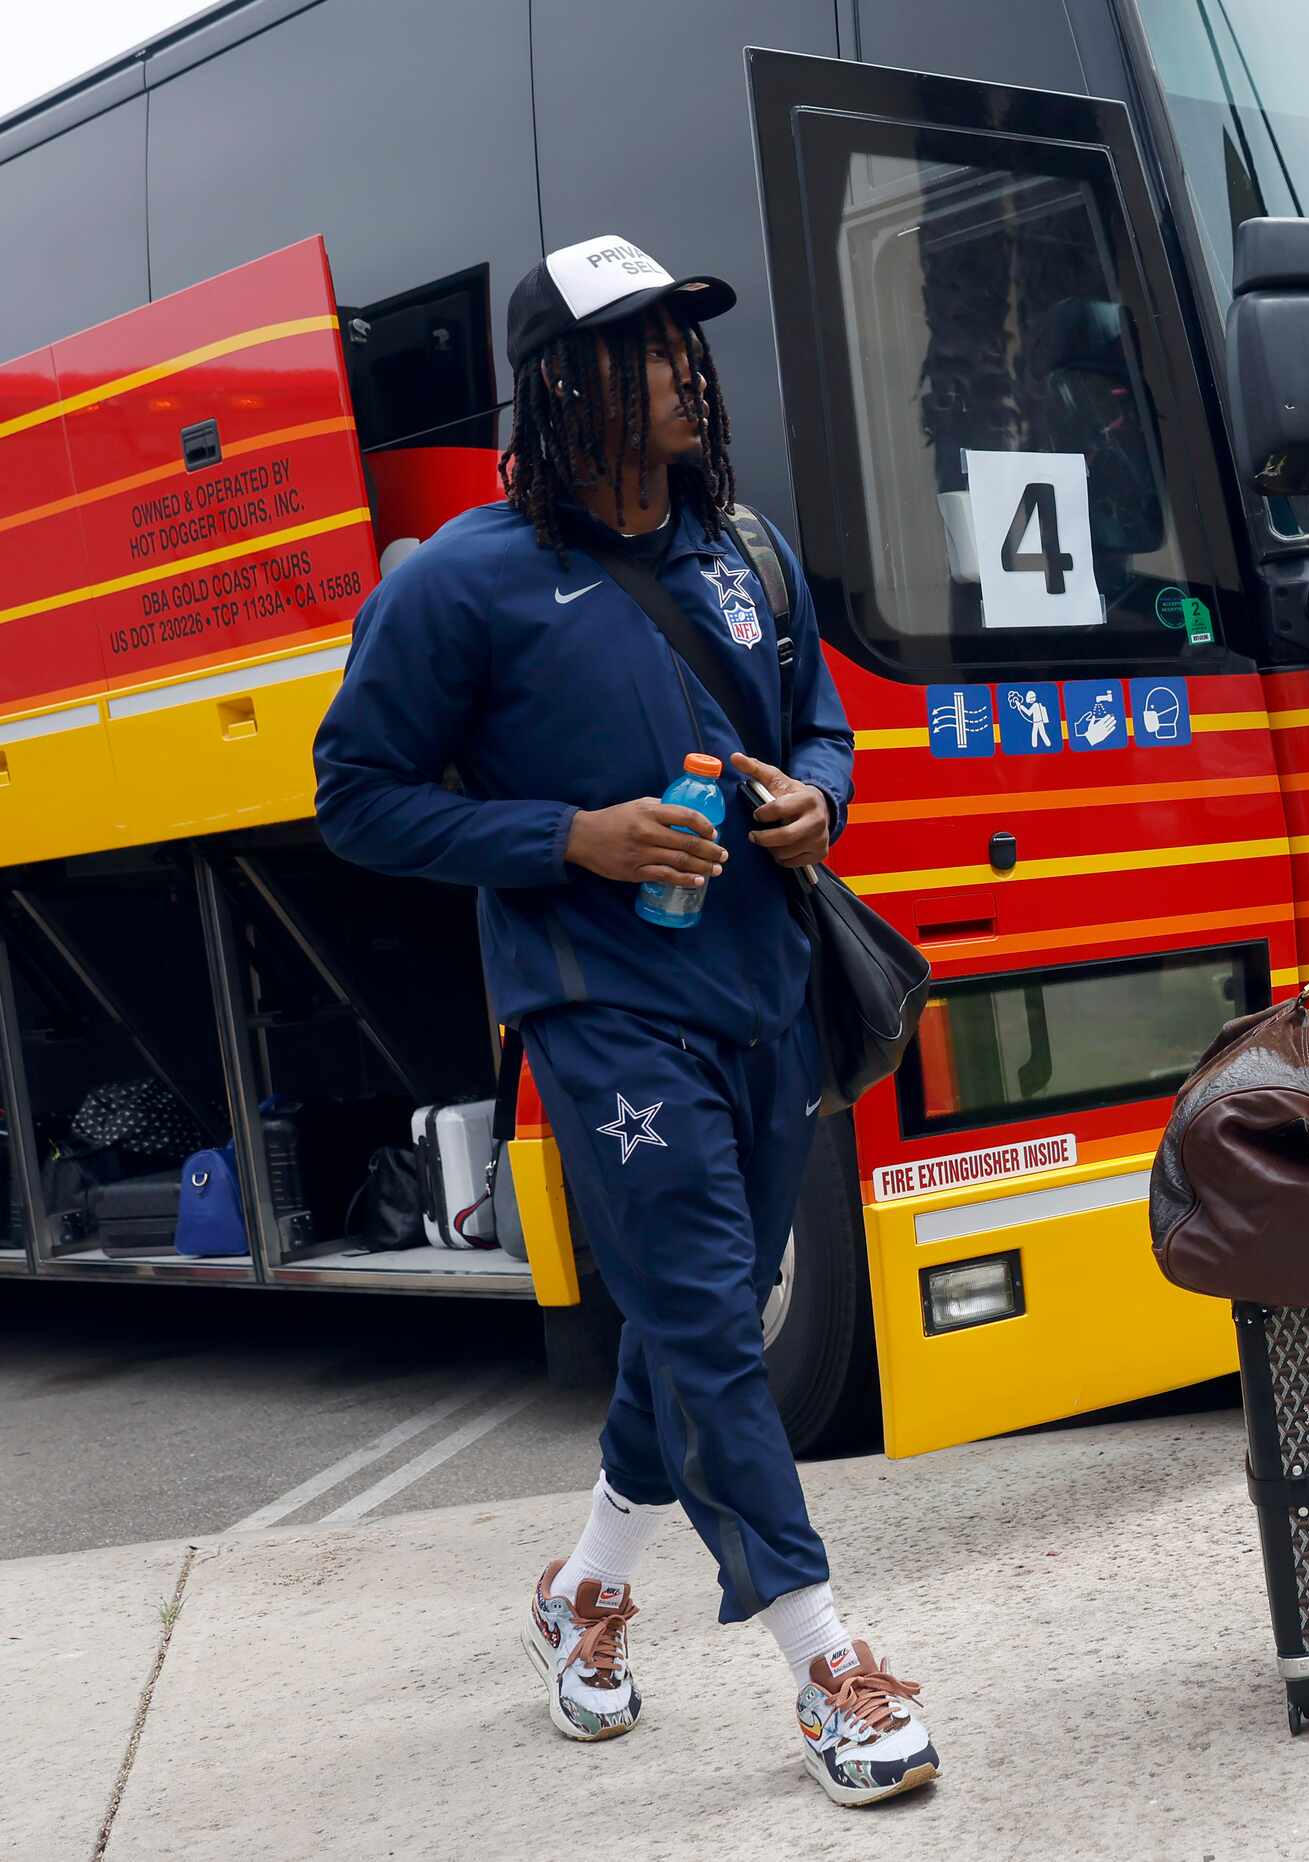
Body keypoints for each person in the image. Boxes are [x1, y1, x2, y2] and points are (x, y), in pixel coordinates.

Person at [314, 235, 939, 1805]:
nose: (679, 367)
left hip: (759, 991)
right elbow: (354, 798)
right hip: (599, 1011)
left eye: (682, 338)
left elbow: (819, 718)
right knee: (711, 1323)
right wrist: (565, 839)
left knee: (694, 1311)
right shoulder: (463, 580)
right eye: (639, 344)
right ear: (559, 383)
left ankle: (584, 1592)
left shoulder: (748, 547)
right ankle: (826, 1664)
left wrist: (819, 798)